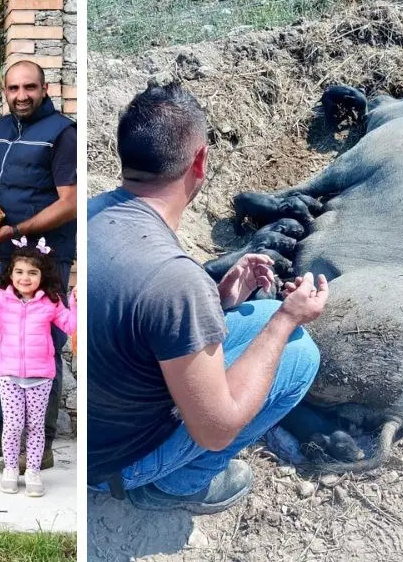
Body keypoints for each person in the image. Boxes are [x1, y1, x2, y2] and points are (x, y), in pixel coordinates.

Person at [88, 82, 328, 514]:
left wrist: (216, 301)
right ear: (199, 161)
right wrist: (288, 319)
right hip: (112, 464)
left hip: (96, 422)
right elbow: (215, 431)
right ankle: (177, 484)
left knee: (264, 311)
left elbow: (135, 323)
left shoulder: (92, 214)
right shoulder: (174, 279)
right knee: (299, 354)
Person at [0, 60, 77, 472]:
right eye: (13, 89)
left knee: (42, 348)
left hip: (45, 258)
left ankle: (38, 444)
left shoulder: (62, 133)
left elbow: (70, 202)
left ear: (44, 88)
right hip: (0, 258)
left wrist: (17, 229)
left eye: (29, 87)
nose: (21, 95)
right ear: (4, 91)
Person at [0, 242, 77, 497]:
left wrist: (76, 303)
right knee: (12, 426)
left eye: (32, 273)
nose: (25, 277)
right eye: (20, 271)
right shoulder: (1, 299)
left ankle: (32, 471)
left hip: (40, 377)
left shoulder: (51, 302)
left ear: (42, 276)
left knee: (35, 427)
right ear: (11, 274)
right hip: (9, 376)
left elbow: (70, 325)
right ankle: (11, 468)